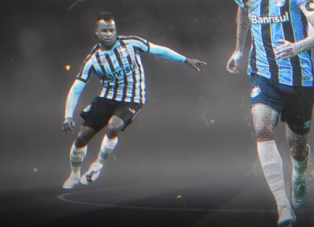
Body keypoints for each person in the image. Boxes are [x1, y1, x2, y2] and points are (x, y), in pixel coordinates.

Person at [227, 0, 314, 227]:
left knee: (297, 146)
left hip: (299, 81)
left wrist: (296, 47)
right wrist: (239, 49)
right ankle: (283, 206)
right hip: (264, 75)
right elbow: (243, 13)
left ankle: (299, 173)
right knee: (262, 128)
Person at [61, 12, 206, 189]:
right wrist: (68, 116)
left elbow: (160, 50)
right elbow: (77, 87)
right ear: (97, 32)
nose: (109, 34)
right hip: (106, 98)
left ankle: (98, 164)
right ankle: (74, 174)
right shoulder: (93, 59)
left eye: (112, 30)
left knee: (114, 126)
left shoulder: (131, 43)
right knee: (82, 136)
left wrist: (185, 60)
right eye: (104, 30)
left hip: (132, 98)